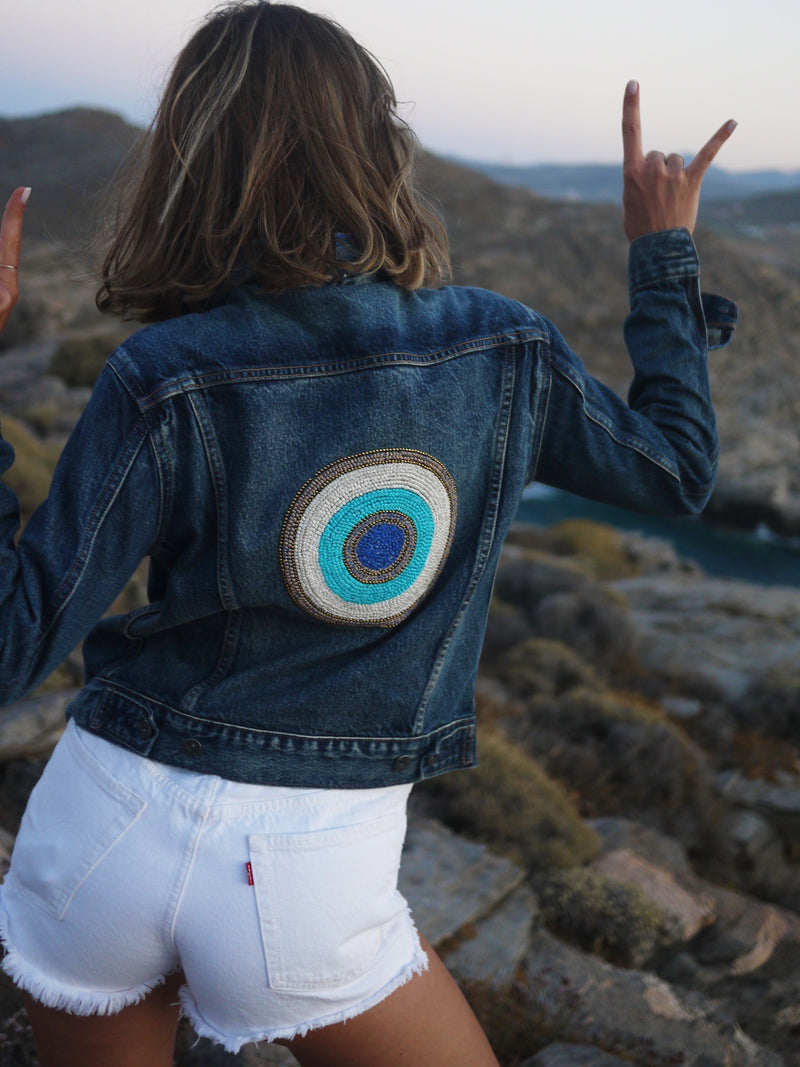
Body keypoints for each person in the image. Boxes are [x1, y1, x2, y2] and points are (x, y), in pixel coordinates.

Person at [0, 3, 737, 1065]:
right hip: (307, 867)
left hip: (98, 830)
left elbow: (14, 642)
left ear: (186, 161)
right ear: (378, 145)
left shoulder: (162, 373)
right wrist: (660, 253)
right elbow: (674, 470)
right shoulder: (500, 346)